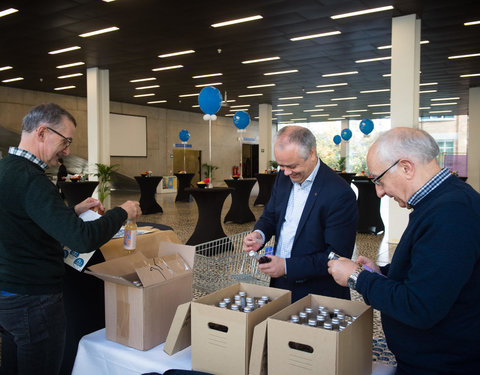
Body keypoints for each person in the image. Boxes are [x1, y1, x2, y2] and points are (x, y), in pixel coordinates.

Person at [0, 103, 142, 375]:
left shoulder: (6, 169)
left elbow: (22, 221)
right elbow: (82, 239)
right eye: (65, 141)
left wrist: (71, 212)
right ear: (42, 132)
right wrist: (120, 212)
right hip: (34, 300)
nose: (67, 150)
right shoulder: (32, 180)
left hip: (8, 298)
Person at [328, 127, 480, 375]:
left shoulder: (450, 213)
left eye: (379, 180)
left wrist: (357, 277)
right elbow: (430, 274)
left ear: (407, 167)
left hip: (443, 364)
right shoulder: (442, 203)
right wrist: (383, 272)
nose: (379, 191)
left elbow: (420, 307)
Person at [243, 126, 358, 302]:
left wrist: (287, 266)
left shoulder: (339, 193)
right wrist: (260, 234)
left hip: (318, 292)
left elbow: (337, 257)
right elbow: (271, 215)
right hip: (280, 283)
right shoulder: (283, 177)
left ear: (312, 153)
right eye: (281, 165)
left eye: (292, 166)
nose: (286, 172)